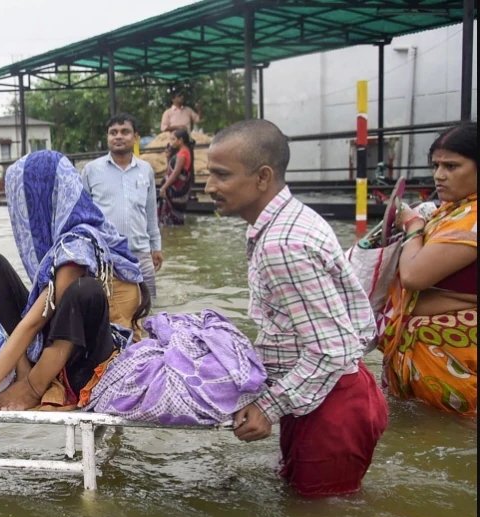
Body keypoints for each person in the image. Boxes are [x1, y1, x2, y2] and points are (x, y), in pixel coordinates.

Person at [205, 118, 388, 497]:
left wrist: (267, 408)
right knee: (309, 508)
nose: (209, 187)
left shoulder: (282, 245)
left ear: (262, 177)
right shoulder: (288, 222)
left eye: (221, 175)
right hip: (321, 395)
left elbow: (331, 349)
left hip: (332, 405)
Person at [0, 150, 149, 427]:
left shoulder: (78, 243)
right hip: (61, 338)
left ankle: (34, 385)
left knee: (84, 291)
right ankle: (23, 373)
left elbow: (34, 322)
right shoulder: (61, 244)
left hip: (95, 355)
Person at [380, 121, 477, 418]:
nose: (439, 175)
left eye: (451, 166)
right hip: (429, 369)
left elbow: (413, 276)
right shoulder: (449, 211)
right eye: (436, 165)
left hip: (456, 369)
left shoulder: (472, 220)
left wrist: (413, 226)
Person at [81, 113, 164, 297]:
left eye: (125, 132)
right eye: (113, 132)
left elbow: (151, 213)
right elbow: (83, 216)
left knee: (149, 305)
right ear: (107, 137)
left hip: (141, 253)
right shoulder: (91, 170)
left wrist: (156, 246)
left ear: (135, 137)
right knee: (109, 306)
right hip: (105, 254)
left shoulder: (145, 170)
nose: (118, 136)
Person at [158, 127, 195, 227]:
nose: (171, 142)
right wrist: (168, 157)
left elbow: (175, 174)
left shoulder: (183, 153)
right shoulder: (182, 152)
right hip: (176, 188)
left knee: (172, 218)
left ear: (180, 140)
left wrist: (164, 187)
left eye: (173, 139)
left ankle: (175, 232)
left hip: (177, 190)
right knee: (172, 218)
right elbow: (171, 170)